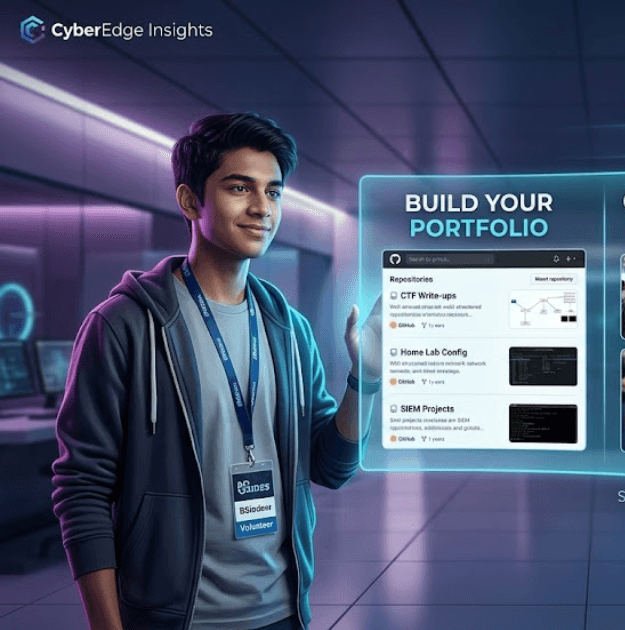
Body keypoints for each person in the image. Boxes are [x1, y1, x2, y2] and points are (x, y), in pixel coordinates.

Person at [52, 113, 381, 630]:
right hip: (174, 618)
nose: (261, 209)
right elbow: (82, 487)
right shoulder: (123, 327)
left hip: (282, 613)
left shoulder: (288, 331)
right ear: (189, 201)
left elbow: (331, 467)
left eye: (273, 193)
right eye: (238, 188)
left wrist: (365, 379)